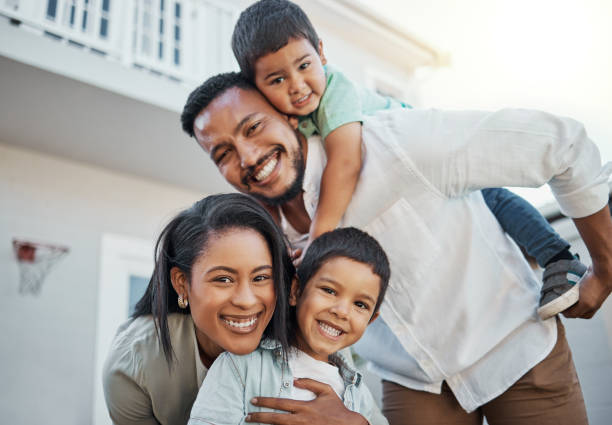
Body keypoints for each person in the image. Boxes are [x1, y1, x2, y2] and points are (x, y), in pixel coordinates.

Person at [180, 72, 612, 424]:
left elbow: (562, 145)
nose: (248, 156)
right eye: (223, 153)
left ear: (289, 114)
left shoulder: (395, 145)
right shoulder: (261, 237)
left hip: (514, 347)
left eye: (253, 127)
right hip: (412, 385)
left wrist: (604, 270)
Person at [230, 0, 586, 319]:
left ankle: (559, 258)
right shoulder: (286, 119)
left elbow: (345, 162)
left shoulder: (336, 89)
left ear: (321, 52)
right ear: (257, 88)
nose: (296, 85)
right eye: (277, 79)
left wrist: (318, 236)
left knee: (491, 196)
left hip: (429, 154)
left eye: (304, 65)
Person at [103, 194, 373, 425]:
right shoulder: (133, 363)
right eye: (223, 279)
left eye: (261, 278)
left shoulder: (314, 338)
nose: (245, 300)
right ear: (182, 284)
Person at [188, 227, 391, 425]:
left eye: (360, 305)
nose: (342, 311)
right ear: (295, 290)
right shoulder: (240, 367)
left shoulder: (359, 395)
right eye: (329, 291)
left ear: (371, 320)